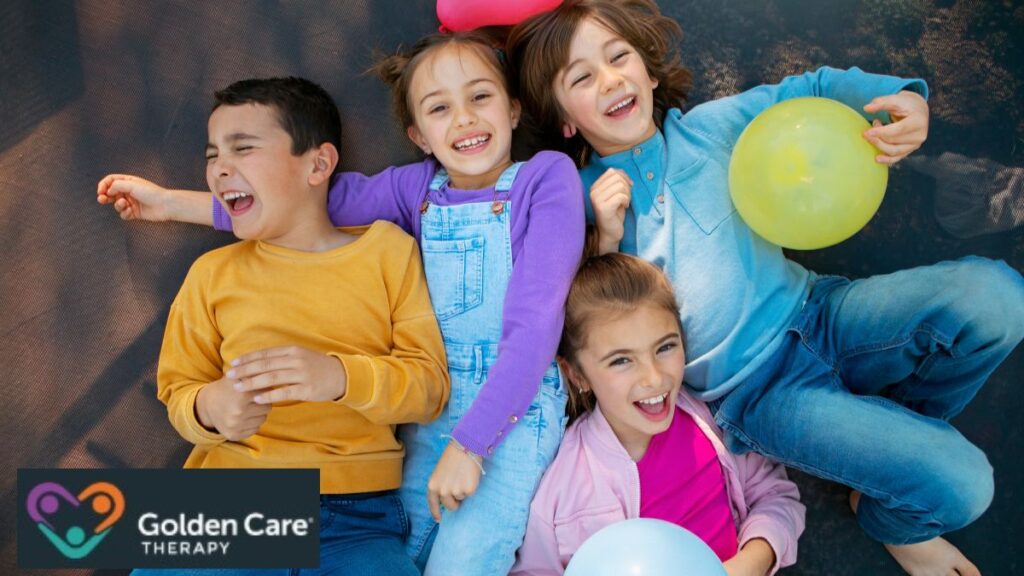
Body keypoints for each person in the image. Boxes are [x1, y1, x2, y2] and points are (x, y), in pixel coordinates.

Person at [506, 2, 1024, 574]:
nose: (610, 78)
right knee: (965, 486)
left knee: (998, 297)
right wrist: (602, 238)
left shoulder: (710, 128)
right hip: (758, 395)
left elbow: (812, 88)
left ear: (649, 73)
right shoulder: (575, 196)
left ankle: (893, 462)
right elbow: (569, 313)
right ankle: (894, 517)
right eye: (581, 78)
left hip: (822, 312)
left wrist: (905, 95)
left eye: (619, 56)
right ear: (565, 121)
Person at [97, 30, 585, 576]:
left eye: (480, 97)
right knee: (75, 525)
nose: (465, 119)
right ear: (418, 136)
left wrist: (459, 439)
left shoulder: (531, 183)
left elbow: (526, 328)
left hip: (432, 460)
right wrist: (168, 204)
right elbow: (304, 201)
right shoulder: (409, 192)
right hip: (236, 497)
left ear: (514, 108)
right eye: (439, 108)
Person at [134, 76, 450, 576]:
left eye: (243, 149)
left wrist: (339, 377)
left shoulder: (388, 252)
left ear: (318, 165)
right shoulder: (212, 275)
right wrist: (213, 408)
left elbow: (429, 388)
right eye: (213, 154)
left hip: (357, 519)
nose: (220, 169)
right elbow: (178, 392)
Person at [512, 252, 805, 576]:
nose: (654, 377)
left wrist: (750, 563)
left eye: (665, 347)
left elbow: (777, 496)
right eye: (621, 361)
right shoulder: (561, 489)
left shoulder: (713, 423)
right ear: (577, 374)